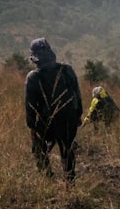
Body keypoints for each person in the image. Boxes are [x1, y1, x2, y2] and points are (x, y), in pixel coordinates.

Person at [25, 38, 82, 180]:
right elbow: (77, 96)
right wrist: (77, 116)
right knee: (67, 150)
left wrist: (32, 127)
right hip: (69, 119)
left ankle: (48, 179)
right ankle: (70, 181)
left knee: (38, 149)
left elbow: (30, 106)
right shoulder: (67, 70)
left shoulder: (33, 77)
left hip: (46, 123)